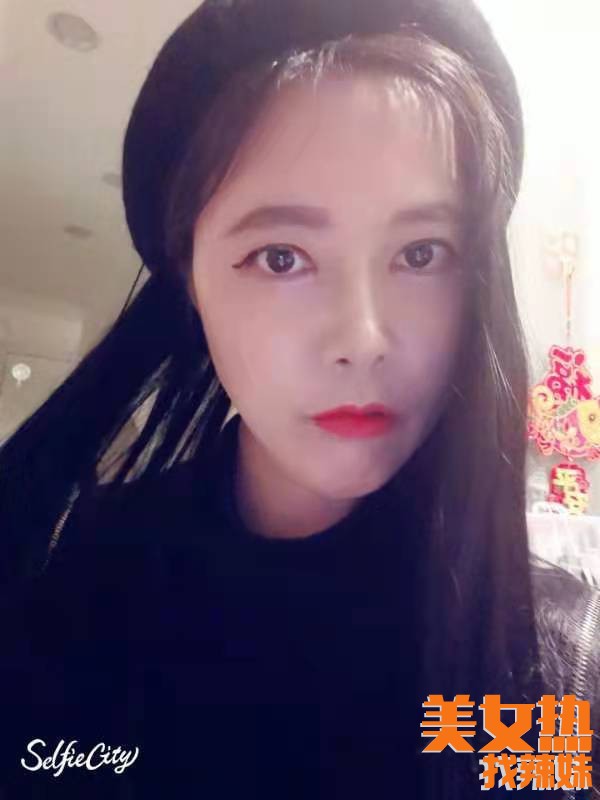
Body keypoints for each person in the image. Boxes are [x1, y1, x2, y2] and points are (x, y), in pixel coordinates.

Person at [0, 0, 598, 797]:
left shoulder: (558, 651)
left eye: (423, 253)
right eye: (281, 256)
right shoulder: (67, 579)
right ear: (190, 285)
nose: (364, 337)